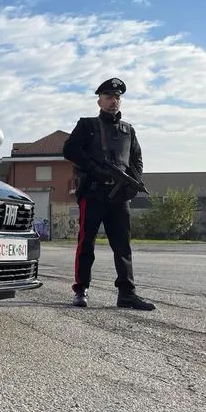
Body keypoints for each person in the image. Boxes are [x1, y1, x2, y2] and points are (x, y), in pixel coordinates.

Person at [62, 78, 156, 311]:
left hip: (119, 197)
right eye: (109, 97)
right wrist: (94, 169)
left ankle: (127, 294)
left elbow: (136, 160)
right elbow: (70, 149)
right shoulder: (87, 126)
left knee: (123, 246)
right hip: (93, 192)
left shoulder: (128, 130)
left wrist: (132, 182)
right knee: (86, 243)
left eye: (117, 97)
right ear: (99, 101)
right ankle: (81, 290)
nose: (114, 101)